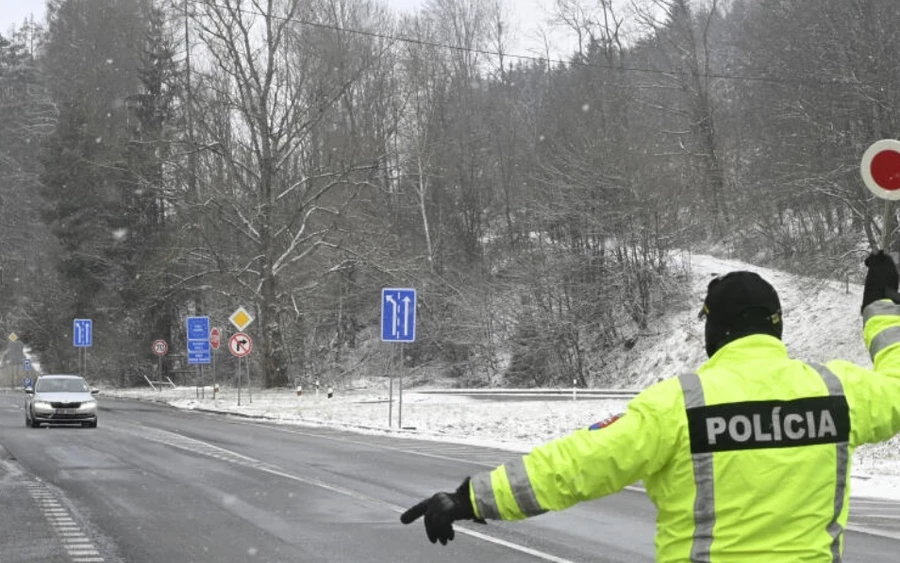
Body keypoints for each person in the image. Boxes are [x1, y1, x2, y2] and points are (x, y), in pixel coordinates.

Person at [401, 251, 900, 562]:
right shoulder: (838, 392)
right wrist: (880, 309)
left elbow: (581, 465)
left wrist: (473, 498)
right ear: (776, 325)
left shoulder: (679, 404)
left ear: (717, 328)